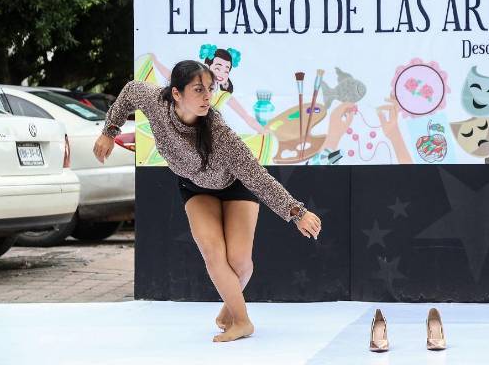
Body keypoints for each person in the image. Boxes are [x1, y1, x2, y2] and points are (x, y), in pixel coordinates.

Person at [93, 60, 321, 343]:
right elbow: (129, 92)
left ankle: (230, 307)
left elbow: (256, 175)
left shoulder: (217, 131)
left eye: (210, 90)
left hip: (235, 186)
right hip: (195, 187)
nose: (207, 97)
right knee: (213, 253)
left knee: (240, 262)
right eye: (198, 89)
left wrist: (296, 212)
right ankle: (242, 321)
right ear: (176, 93)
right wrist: (109, 131)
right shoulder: (154, 101)